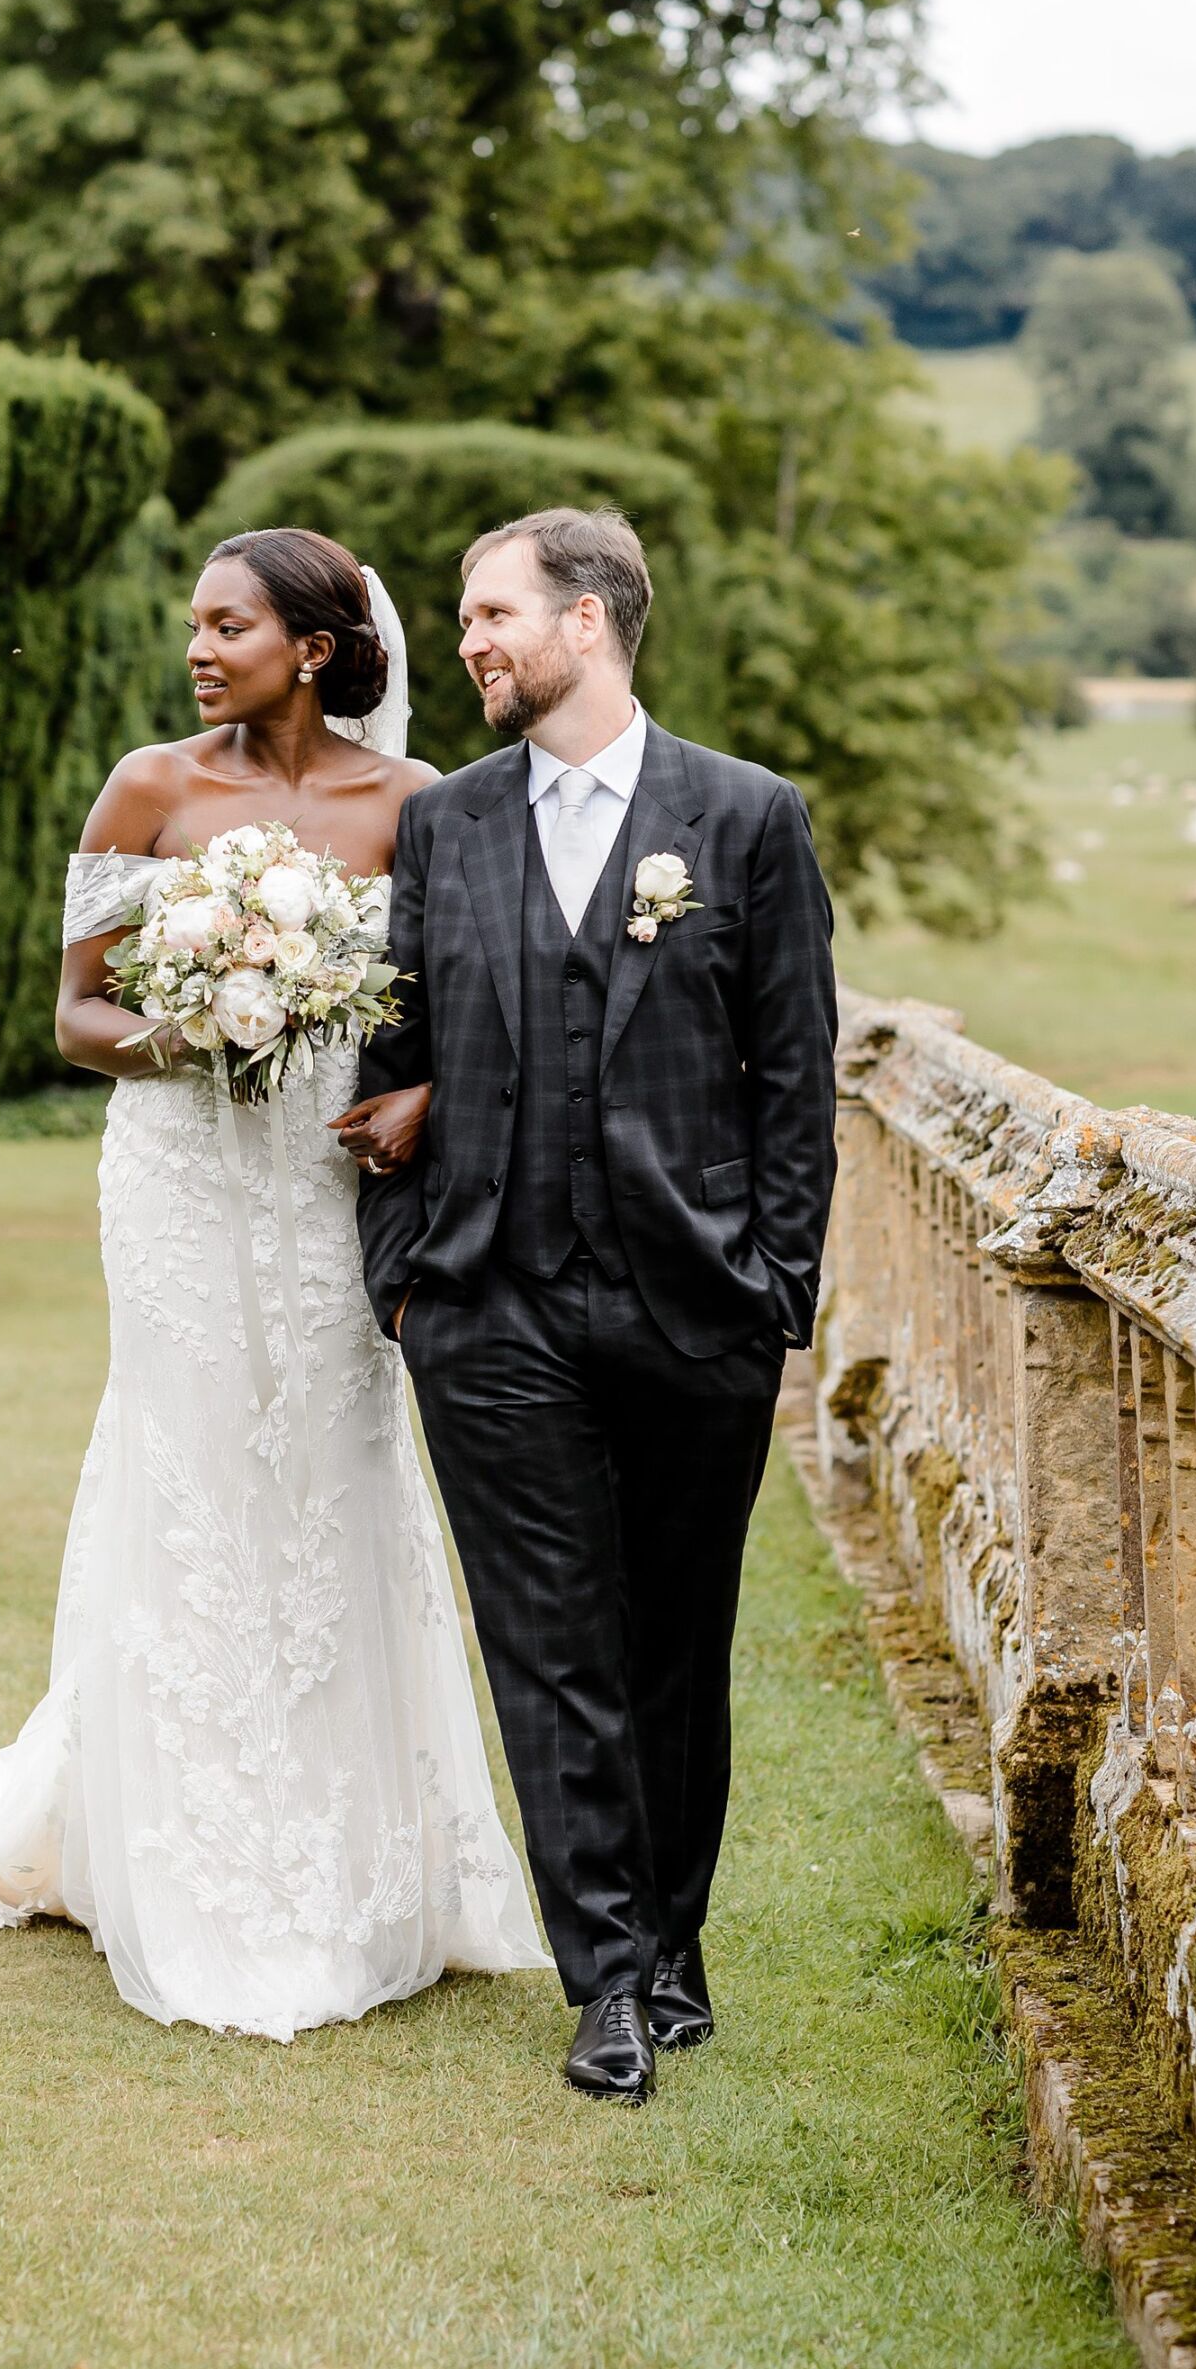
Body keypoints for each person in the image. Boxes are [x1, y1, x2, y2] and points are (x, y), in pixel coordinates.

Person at [0, 528, 550, 2042]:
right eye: (192, 624)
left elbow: (454, 1013)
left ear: (313, 645)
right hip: (174, 1176)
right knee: (189, 1470)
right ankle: (182, 1861)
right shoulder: (149, 787)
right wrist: (207, 1033)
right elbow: (77, 1013)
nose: (197, 647)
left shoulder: (417, 806)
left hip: (323, 1185)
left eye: (227, 625)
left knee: (331, 1469)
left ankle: (368, 1861)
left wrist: (414, 1096)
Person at [350, 506, 837, 2104]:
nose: (471, 639)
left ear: (591, 619)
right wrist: (405, 1272)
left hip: (696, 1305)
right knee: (549, 1640)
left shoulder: (747, 819)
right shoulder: (451, 824)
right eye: (467, 615)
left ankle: (674, 1934)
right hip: (486, 1307)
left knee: (672, 1637)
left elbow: (794, 1080)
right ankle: (610, 1976)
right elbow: (393, 1055)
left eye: (494, 612)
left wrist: (774, 1288)